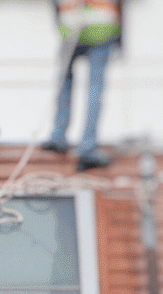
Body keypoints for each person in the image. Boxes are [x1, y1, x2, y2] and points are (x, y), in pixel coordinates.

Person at [40, 0, 121, 171]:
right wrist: (120, 39)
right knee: (94, 90)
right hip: (101, 28)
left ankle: (58, 137)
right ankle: (87, 148)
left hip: (71, 27)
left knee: (64, 83)